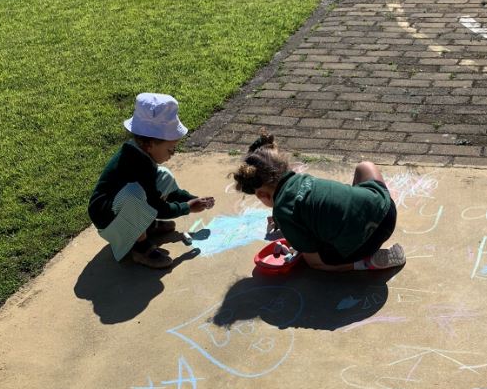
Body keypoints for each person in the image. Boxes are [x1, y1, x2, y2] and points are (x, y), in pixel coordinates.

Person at [232, 134, 405, 272]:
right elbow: (309, 205)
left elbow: (310, 253)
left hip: (365, 242)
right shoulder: (301, 180)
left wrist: (290, 231)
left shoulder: (283, 213)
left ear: (262, 194)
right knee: (364, 167)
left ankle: (366, 263)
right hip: (386, 211)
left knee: (314, 263)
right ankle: (355, 217)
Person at [88, 93, 215, 268]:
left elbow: (165, 194)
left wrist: (190, 199)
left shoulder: (142, 153)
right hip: (108, 221)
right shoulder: (136, 163)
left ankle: (145, 227)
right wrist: (187, 208)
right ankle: (140, 247)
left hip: (120, 209)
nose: (173, 153)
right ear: (150, 144)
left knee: (163, 175)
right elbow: (155, 205)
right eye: (170, 149)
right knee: (135, 194)